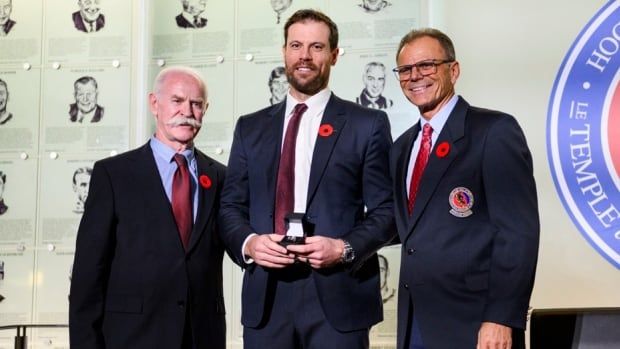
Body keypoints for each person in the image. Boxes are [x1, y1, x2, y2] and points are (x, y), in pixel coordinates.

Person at [219, 9, 394, 349]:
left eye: (316, 47)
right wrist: (250, 244)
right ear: (284, 51)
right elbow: (229, 208)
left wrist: (343, 248)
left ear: (334, 55)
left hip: (337, 295)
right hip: (266, 299)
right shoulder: (249, 127)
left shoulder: (367, 124)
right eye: (296, 45)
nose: (305, 56)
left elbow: (387, 211)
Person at [389, 28, 539, 349]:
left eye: (427, 65)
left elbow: (517, 234)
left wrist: (501, 317)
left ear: (453, 70)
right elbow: (399, 226)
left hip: (476, 324)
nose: (415, 76)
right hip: (415, 320)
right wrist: (342, 246)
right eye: (405, 69)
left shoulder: (493, 131)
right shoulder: (402, 148)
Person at [69, 66, 228, 349]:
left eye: (196, 104)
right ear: (155, 104)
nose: (187, 111)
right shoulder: (114, 175)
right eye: (177, 101)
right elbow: (88, 275)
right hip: (131, 337)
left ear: (206, 109)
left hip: (201, 337)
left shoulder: (221, 177)